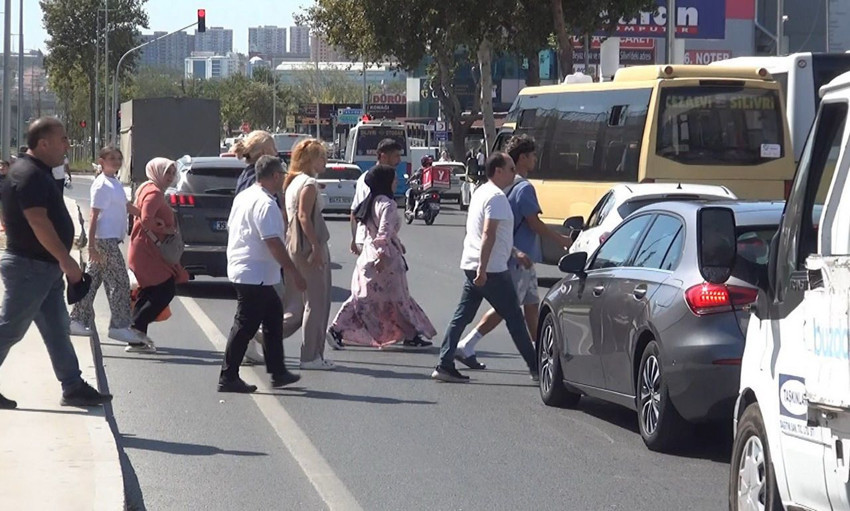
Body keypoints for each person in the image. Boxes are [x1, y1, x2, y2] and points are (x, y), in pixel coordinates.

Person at [0, 117, 113, 409]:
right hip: (29, 268)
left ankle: (73, 387)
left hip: (41, 268)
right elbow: (37, 221)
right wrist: (67, 260)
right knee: (10, 329)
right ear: (43, 143)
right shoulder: (29, 174)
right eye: (62, 139)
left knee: (56, 327)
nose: (67, 145)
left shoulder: (37, 172)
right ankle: (73, 385)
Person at [455, 135, 573, 369]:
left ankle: (541, 356)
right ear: (523, 158)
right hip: (518, 257)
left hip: (520, 258)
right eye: (532, 155)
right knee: (507, 308)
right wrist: (560, 240)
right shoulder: (524, 187)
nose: (535, 159)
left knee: (531, 306)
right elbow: (533, 222)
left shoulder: (506, 184)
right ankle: (468, 344)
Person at [431, 152, 538, 383]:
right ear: (498, 171)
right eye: (510, 168)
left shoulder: (481, 192)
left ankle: (444, 364)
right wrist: (483, 269)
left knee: (462, 316)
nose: (514, 172)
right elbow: (488, 233)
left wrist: (514, 252)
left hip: (474, 264)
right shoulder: (497, 198)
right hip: (490, 270)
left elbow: (489, 234)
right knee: (515, 320)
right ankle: (536, 368)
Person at [219, 155, 305, 393]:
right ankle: (228, 376)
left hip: (255, 271)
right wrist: (293, 271)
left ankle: (278, 371)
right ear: (275, 175)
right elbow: (273, 243)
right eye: (282, 176)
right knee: (245, 325)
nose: (283, 181)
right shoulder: (266, 204)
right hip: (253, 272)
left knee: (273, 318)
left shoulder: (245, 196)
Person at [328, 165, 436, 348]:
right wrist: (383, 255)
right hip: (385, 259)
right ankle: (337, 329)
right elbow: (384, 233)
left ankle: (409, 335)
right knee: (398, 298)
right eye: (394, 179)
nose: (396, 182)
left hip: (368, 255)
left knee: (364, 297)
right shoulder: (388, 204)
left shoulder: (372, 202)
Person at [69, 147, 145, 344]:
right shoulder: (101, 184)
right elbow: (94, 215)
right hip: (105, 240)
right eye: (112, 158)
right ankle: (119, 326)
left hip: (110, 239)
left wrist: (145, 216)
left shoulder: (115, 183)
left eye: (119, 158)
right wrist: (92, 246)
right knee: (120, 282)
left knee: (92, 282)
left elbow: (126, 206)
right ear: (101, 161)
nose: (117, 161)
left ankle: (76, 320)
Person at [127, 157, 189, 352]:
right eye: (167, 173)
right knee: (164, 290)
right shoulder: (154, 193)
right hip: (148, 250)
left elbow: (141, 215)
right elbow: (146, 219)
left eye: (172, 173)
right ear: (157, 172)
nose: (170, 177)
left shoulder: (147, 187)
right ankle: (136, 330)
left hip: (146, 248)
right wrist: (166, 229)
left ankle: (136, 337)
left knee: (150, 291)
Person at [282, 139, 335, 370]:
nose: (325, 161)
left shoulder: (291, 182)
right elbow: (304, 216)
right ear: (310, 160)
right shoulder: (309, 183)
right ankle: (311, 355)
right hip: (308, 246)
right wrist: (315, 247)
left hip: (293, 244)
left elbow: (288, 216)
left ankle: (261, 334)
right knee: (316, 302)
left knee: (298, 303)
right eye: (322, 157)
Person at [231, 130, 281, 365]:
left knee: (262, 311)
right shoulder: (256, 180)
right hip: (257, 257)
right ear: (262, 152)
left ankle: (273, 365)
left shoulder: (246, 175)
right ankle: (231, 369)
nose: (277, 152)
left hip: (251, 256)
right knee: (250, 315)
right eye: (272, 148)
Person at [349, 138, 403, 257]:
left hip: (371, 241)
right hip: (375, 244)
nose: (399, 160)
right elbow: (357, 211)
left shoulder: (382, 178)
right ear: (383, 156)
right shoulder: (372, 180)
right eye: (396, 156)